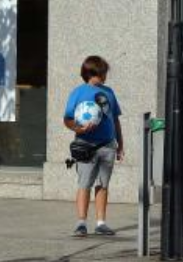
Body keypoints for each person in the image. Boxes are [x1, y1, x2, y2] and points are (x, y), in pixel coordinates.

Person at [63, 55, 123, 237]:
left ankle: (101, 223)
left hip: (107, 145)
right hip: (85, 145)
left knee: (103, 185)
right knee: (84, 184)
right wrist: (79, 129)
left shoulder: (109, 92)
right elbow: (67, 119)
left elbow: (115, 120)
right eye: (102, 72)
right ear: (91, 73)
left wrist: (120, 144)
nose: (105, 76)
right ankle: (81, 223)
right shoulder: (78, 93)